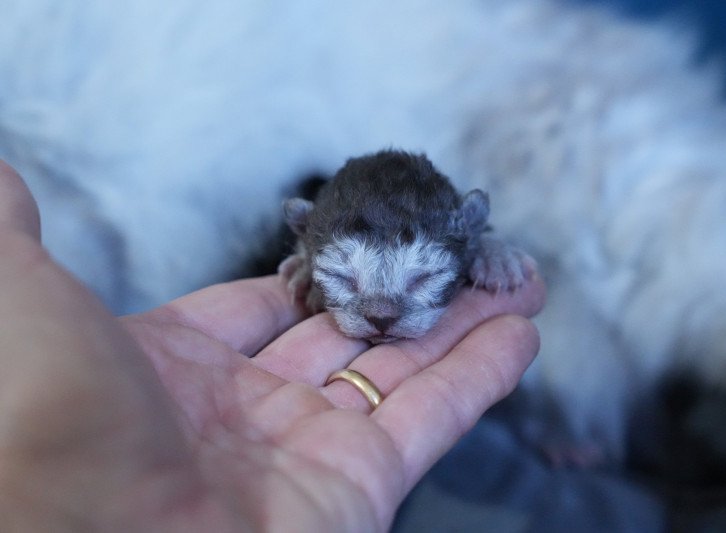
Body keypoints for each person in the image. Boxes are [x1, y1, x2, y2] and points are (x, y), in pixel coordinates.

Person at [0, 160, 544, 531]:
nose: (381, 314)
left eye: (421, 283)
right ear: (303, 235)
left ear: (470, 231)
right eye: (347, 283)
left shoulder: (465, 238)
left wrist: (489, 253)